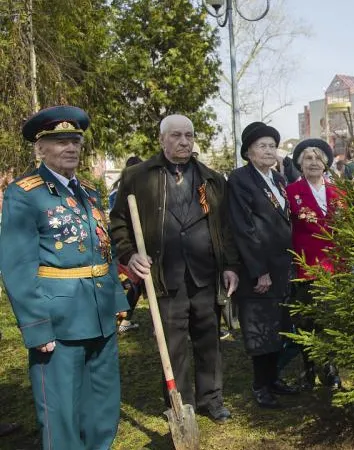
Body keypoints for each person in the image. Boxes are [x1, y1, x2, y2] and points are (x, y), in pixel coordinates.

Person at [0, 105, 129, 449]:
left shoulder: (88, 191)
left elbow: (106, 249)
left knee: (102, 406)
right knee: (61, 413)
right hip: (59, 321)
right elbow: (17, 266)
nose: (70, 147)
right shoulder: (25, 193)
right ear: (40, 148)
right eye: (60, 141)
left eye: (75, 140)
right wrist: (37, 326)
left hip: (100, 315)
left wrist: (117, 303)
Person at [109, 114, 240, 424]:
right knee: (173, 342)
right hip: (164, 277)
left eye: (189, 135)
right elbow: (118, 223)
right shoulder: (137, 177)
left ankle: (211, 399)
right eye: (176, 135)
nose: (184, 141)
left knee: (208, 338)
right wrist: (129, 255)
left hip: (205, 274)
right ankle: (180, 403)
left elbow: (225, 227)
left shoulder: (212, 179)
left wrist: (230, 265)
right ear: (162, 139)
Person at [226, 122, 299, 408]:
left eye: (272, 145)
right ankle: (260, 385)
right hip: (259, 270)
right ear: (248, 152)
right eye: (262, 146)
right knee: (260, 329)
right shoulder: (241, 179)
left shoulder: (278, 179)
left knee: (277, 327)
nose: (269, 151)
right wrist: (259, 271)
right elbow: (243, 228)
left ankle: (273, 379)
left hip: (282, 267)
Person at [285, 138, 343, 389]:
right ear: (300, 163)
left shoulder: (339, 192)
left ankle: (330, 369)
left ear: (327, 163)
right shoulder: (291, 193)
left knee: (330, 321)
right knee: (307, 321)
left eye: (318, 158)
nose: (313, 163)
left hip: (334, 267)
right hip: (305, 266)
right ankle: (308, 369)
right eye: (308, 158)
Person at [110, 155, 145, 334]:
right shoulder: (121, 192)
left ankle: (124, 318)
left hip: (133, 245)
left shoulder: (120, 189)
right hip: (127, 247)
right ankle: (124, 319)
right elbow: (118, 220)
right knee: (135, 284)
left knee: (137, 285)